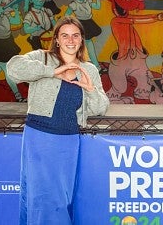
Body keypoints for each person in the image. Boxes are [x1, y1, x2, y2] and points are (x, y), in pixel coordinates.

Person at [6, 16, 109, 224]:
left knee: (63, 196)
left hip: (69, 140)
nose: (70, 40)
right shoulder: (42, 57)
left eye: (75, 35)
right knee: (43, 197)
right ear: (57, 40)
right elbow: (12, 69)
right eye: (65, 36)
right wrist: (52, 72)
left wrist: (90, 90)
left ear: (81, 40)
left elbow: (100, 108)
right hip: (40, 138)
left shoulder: (89, 69)